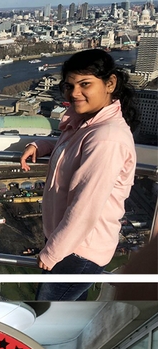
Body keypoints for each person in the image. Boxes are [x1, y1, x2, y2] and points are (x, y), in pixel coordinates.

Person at [19, 49, 138, 301]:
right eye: (70, 85)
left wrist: (52, 253)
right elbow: (71, 149)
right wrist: (41, 146)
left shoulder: (106, 138)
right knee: (67, 320)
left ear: (110, 83)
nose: (74, 93)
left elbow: (85, 208)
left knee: (46, 319)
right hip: (68, 244)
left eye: (85, 84)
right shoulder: (87, 123)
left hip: (79, 251)